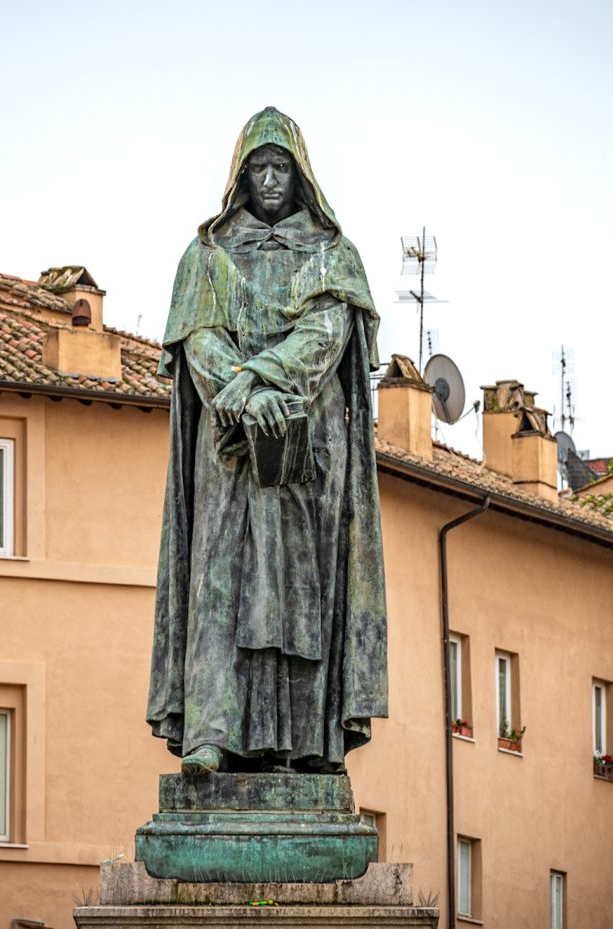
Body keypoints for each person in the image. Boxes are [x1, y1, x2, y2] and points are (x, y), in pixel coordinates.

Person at [147, 107, 387, 775]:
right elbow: (198, 338)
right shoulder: (205, 258)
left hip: (307, 452)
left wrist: (261, 380)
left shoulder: (334, 257)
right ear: (241, 177)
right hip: (229, 448)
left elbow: (327, 334)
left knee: (302, 591)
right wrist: (243, 395)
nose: (272, 180)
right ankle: (211, 732)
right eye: (260, 168)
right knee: (219, 580)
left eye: (282, 168)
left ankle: (304, 742)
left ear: (301, 176)